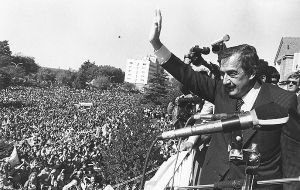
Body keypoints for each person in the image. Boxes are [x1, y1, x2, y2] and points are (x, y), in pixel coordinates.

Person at [149, 9, 300, 189]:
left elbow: (292, 166)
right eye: (223, 74)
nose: (226, 81)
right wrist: (156, 43)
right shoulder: (221, 91)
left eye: (232, 74)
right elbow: (187, 75)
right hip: (212, 183)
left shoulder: (284, 101)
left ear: (252, 72)